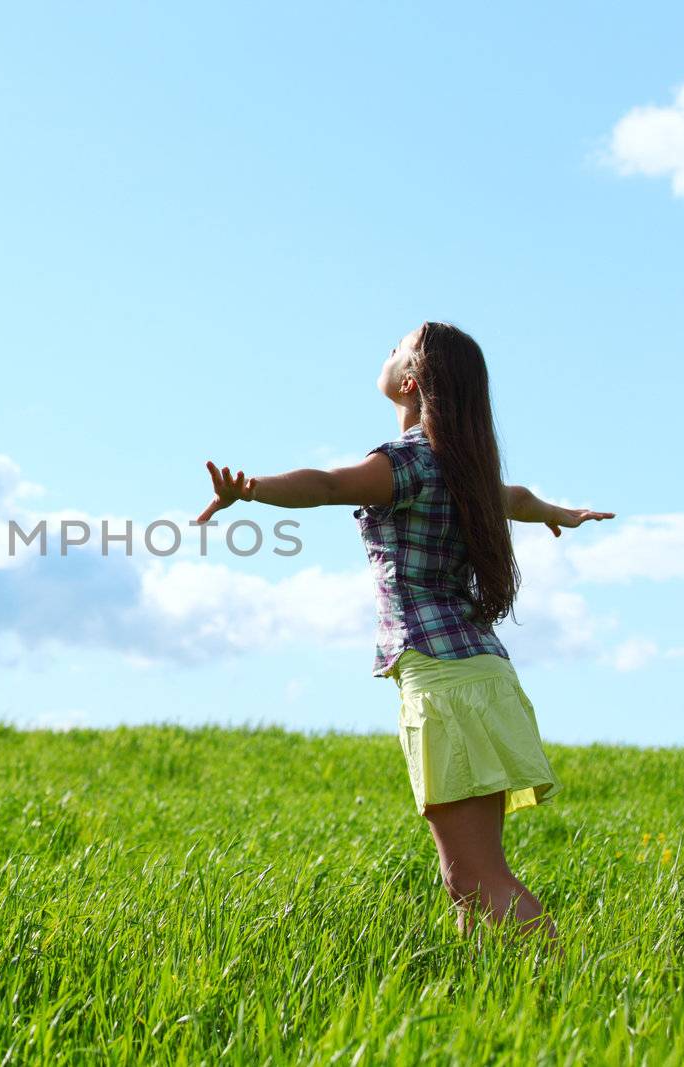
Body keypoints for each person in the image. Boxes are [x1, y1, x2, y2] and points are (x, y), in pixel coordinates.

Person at [195, 320, 613, 959]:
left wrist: (251, 490)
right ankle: (500, 992)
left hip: (444, 682)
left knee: (472, 879)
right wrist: (556, 513)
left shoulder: (410, 464)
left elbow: (331, 486)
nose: (386, 351)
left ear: (411, 381)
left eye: (397, 347)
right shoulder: (463, 467)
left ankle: (564, 981)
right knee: (470, 879)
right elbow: (518, 498)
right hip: (478, 675)